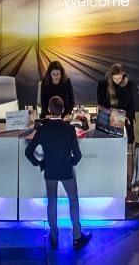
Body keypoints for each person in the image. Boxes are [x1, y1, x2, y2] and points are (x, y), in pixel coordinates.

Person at [24, 96, 90, 250]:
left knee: (52, 202)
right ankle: (77, 236)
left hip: (50, 170)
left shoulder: (43, 129)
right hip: (66, 170)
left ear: (48, 110)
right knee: (73, 200)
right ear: (63, 111)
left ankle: (54, 237)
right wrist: (71, 162)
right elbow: (78, 155)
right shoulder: (69, 129)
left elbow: (29, 152)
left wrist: (40, 163)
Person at [97, 63, 139, 141]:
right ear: (110, 76)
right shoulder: (103, 85)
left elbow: (132, 104)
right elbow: (101, 104)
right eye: (115, 78)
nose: (117, 81)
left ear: (123, 76)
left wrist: (126, 116)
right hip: (109, 119)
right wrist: (113, 115)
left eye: (119, 78)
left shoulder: (129, 85)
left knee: (124, 142)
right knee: (110, 142)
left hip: (125, 118)